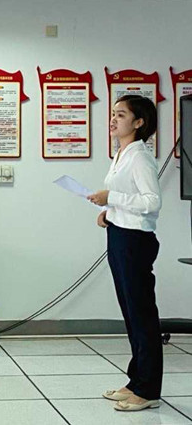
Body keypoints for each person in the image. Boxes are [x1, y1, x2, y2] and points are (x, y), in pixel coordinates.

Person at [88, 95, 162, 412]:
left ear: (139, 122)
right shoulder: (122, 153)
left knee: (142, 315)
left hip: (136, 241)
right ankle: (136, 381)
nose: (113, 119)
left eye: (121, 114)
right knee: (131, 313)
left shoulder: (141, 156)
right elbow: (126, 197)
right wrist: (108, 212)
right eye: (113, 113)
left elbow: (152, 202)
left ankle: (148, 390)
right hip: (119, 234)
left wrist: (112, 198)